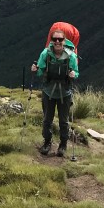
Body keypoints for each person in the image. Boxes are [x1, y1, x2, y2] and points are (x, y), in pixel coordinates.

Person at [31, 28, 79, 157]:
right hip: (49, 91)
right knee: (47, 119)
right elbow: (41, 71)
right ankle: (47, 142)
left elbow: (76, 72)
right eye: (54, 39)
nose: (57, 41)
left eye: (60, 39)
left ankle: (63, 144)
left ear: (64, 40)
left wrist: (74, 74)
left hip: (64, 92)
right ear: (51, 40)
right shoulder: (45, 54)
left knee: (64, 121)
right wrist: (35, 70)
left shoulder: (71, 56)